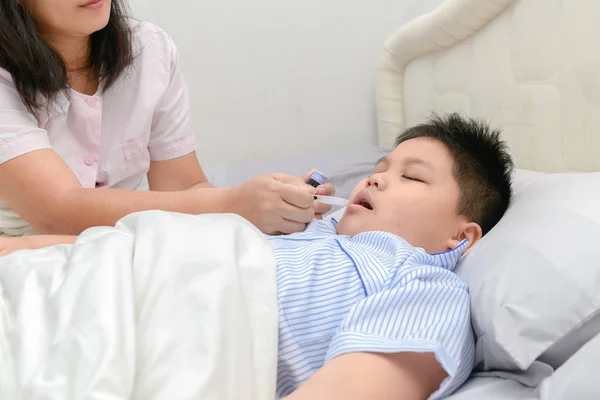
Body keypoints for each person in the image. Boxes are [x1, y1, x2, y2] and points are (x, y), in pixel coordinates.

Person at [0, 113, 515, 399]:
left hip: (153, 337)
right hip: (72, 285)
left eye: (412, 176)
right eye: (380, 166)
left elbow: (358, 388)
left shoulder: (425, 287)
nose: (378, 176)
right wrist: (18, 251)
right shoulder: (304, 236)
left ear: (460, 237)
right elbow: (132, 252)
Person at [0, 0, 333, 238]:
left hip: (118, 246)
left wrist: (276, 200)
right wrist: (233, 204)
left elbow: (184, 188)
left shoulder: (148, 49)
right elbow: (61, 211)